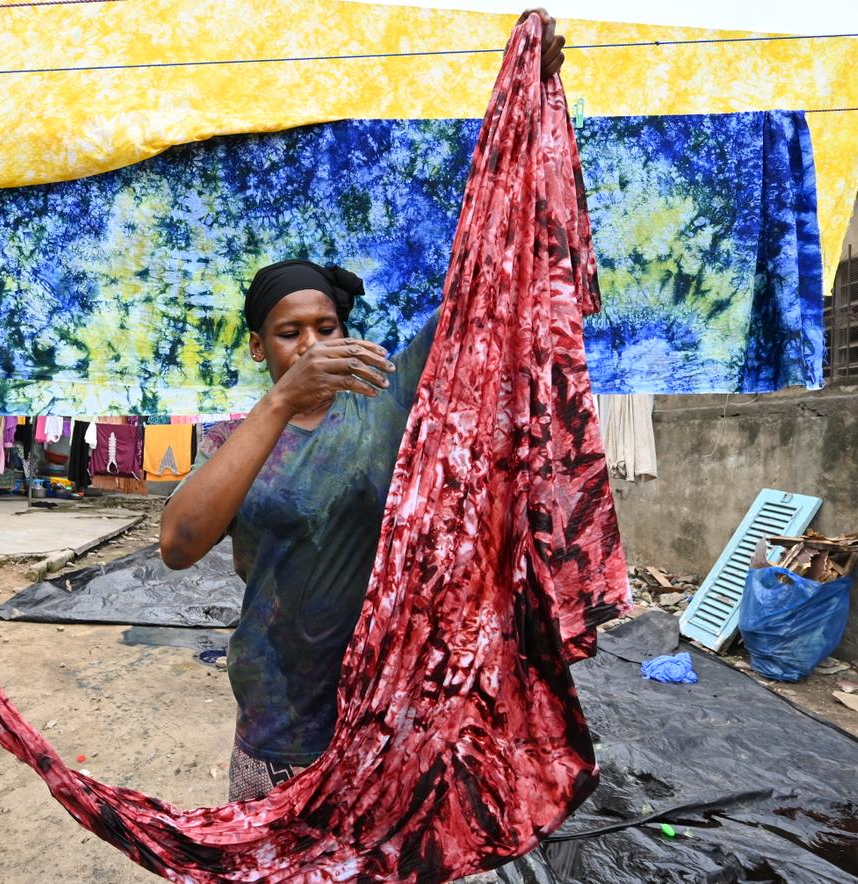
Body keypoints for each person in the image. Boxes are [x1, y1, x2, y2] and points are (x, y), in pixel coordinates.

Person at [160, 10, 566, 802]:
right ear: (258, 347)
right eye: (288, 332)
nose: (310, 343)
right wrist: (279, 404)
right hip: (278, 707)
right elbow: (179, 544)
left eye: (326, 327)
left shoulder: (388, 399)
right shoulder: (236, 435)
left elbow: (484, 270)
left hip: (386, 703)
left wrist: (535, 96)